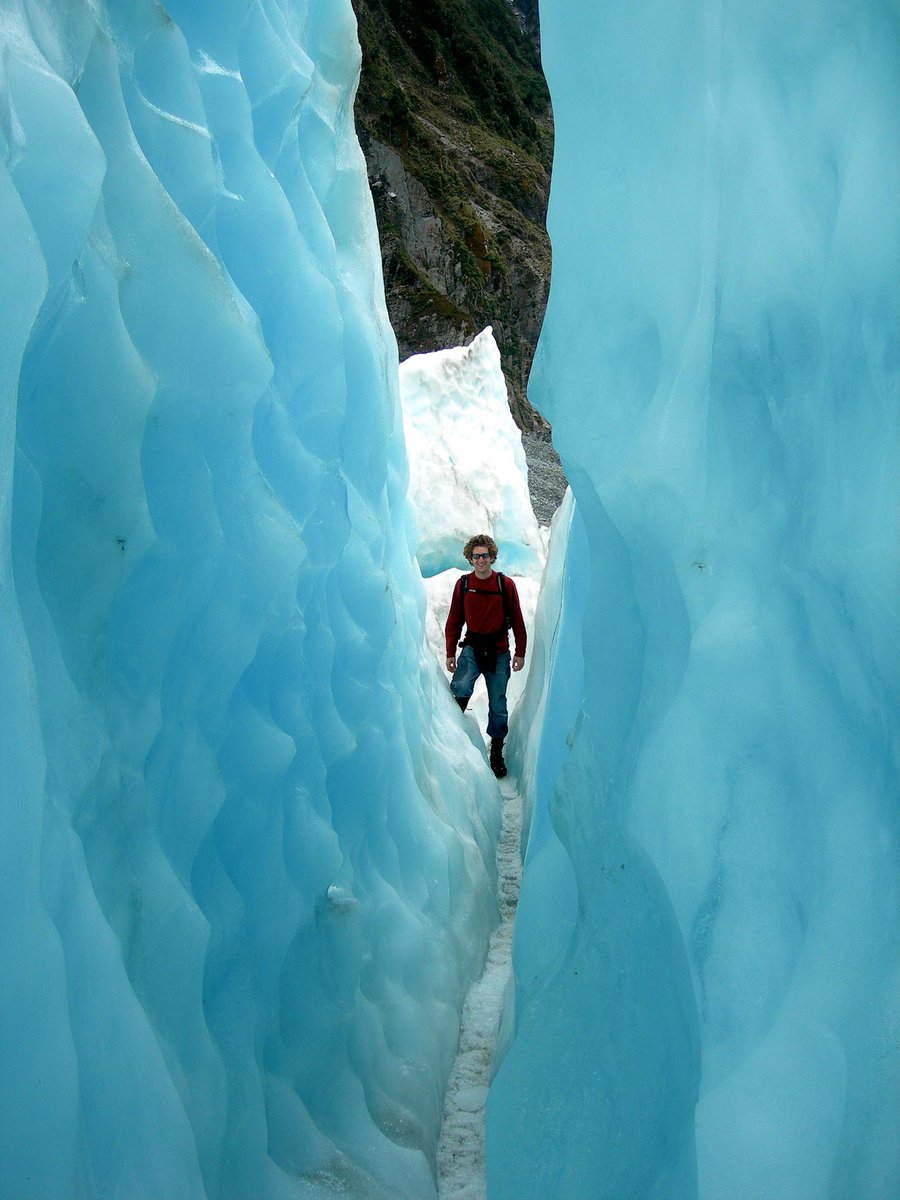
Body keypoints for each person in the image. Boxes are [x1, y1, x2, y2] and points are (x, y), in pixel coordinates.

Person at [445, 534, 526, 778]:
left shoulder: (505, 585)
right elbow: (454, 620)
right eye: (476, 556)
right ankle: (452, 739)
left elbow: (519, 621)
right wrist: (450, 652)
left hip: (499, 650)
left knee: (498, 704)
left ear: (492, 557)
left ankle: (496, 753)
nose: (481, 560)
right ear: (470, 558)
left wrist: (520, 652)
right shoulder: (463, 584)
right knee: (459, 687)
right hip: (472, 647)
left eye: (485, 556)